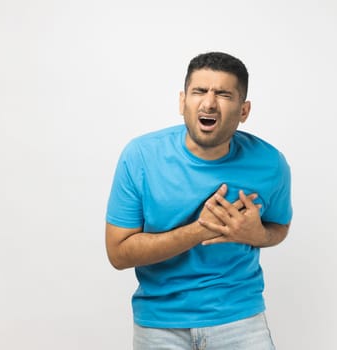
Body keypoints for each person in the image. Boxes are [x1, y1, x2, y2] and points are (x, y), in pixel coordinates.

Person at [105, 51, 293, 349]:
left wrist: (257, 235)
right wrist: (201, 230)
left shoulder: (270, 164)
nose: (208, 103)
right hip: (160, 325)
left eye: (223, 94)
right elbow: (118, 254)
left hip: (240, 320)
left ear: (243, 111)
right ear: (183, 102)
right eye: (199, 91)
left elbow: (279, 226)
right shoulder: (140, 157)